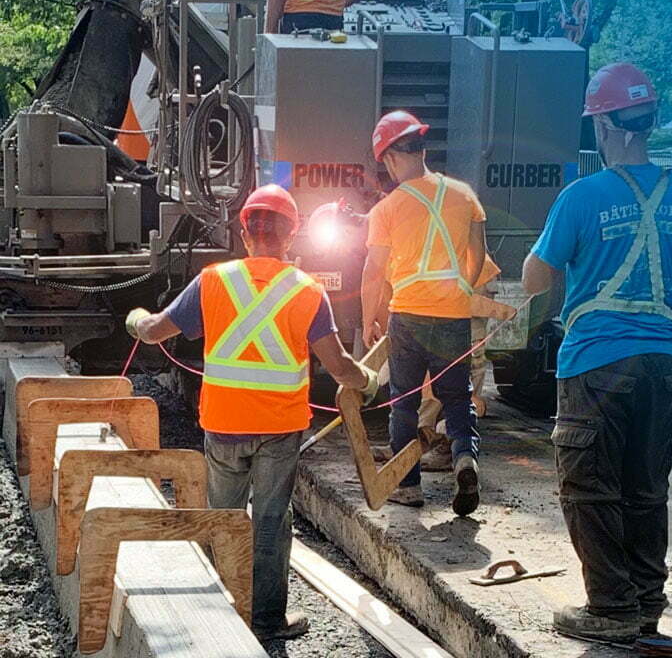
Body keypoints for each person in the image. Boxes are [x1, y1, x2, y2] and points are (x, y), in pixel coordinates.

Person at [125, 184, 378, 643]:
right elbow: (339, 367)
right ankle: (266, 620)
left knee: (222, 514)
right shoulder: (308, 291)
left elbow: (155, 331)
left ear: (245, 234)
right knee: (271, 520)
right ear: (291, 235)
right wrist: (370, 381)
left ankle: (218, 610)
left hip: (223, 422)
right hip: (280, 427)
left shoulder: (213, 280)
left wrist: (136, 320)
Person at [521, 63, 672, 644]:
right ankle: (645, 603)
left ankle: (609, 609)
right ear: (649, 122)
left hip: (596, 363)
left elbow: (535, 278)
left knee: (588, 485)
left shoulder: (582, 196)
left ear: (606, 123)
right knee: (644, 486)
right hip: (660, 361)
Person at [361, 110, 486, 515]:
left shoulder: (387, 209)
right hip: (452, 315)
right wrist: (458, 293)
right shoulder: (464, 194)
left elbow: (373, 272)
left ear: (390, 159)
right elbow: (478, 257)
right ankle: (464, 457)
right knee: (456, 397)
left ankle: (409, 486)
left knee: (404, 402)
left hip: (408, 315)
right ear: (422, 148)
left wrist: (370, 318)